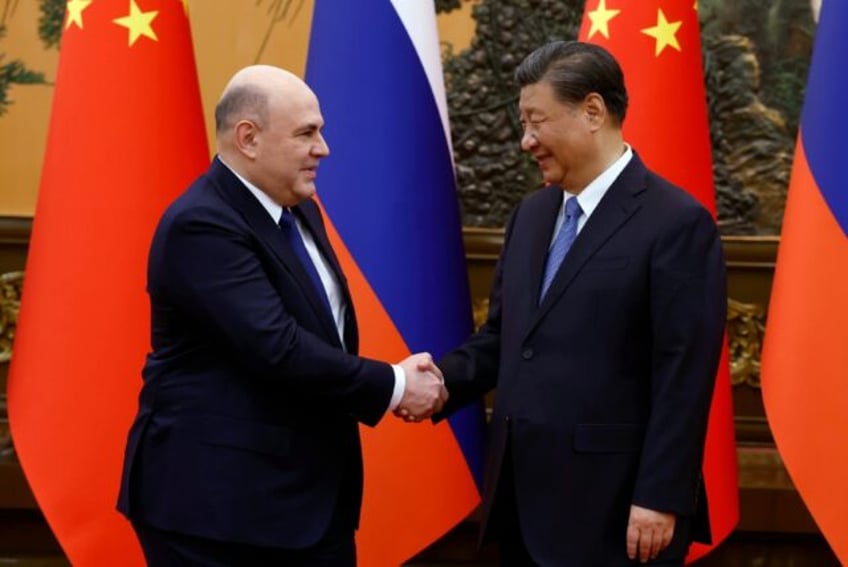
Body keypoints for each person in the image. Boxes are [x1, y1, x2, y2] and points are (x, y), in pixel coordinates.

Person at [116, 65, 447, 566]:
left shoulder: (298, 209)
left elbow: (321, 334)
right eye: (306, 133)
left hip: (308, 500)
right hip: (220, 513)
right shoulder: (202, 224)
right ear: (248, 138)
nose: (324, 148)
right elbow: (278, 347)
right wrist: (396, 385)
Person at [429, 41, 727, 565]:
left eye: (535, 121)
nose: (526, 141)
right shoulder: (530, 216)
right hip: (520, 504)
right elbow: (505, 338)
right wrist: (430, 385)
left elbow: (685, 371)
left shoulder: (676, 222)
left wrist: (659, 496)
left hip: (617, 514)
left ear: (592, 111)